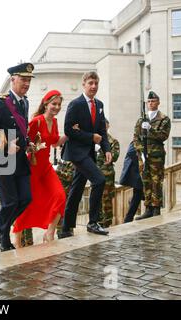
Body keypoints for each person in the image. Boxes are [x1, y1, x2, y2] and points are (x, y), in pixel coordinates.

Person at [0, 63, 34, 252]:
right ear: (13, 80)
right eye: (23, 79)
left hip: (19, 158)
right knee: (10, 202)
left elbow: (20, 128)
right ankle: (3, 239)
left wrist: (28, 143)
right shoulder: (0, 102)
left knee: (25, 198)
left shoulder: (25, 102)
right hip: (2, 159)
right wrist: (5, 143)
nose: (26, 83)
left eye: (28, 80)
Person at [59, 71, 111, 238]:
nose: (93, 86)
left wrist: (107, 149)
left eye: (96, 83)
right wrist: (90, 137)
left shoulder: (100, 105)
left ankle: (66, 228)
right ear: (84, 84)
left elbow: (101, 130)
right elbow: (68, 130)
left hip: (88, 152)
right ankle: (93, 222)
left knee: (77, 188)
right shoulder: (76, 104)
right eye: (90, 83)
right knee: (99, 179)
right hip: (76, 153)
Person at [12, 90, 68, 242]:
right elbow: (23, 141)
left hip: (46, 167)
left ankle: (49, 232)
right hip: (32, 166)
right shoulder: (36, 121)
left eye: (58, 104)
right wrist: (32, 147)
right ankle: (16, 237)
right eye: (53, 104)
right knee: (27, 202)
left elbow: (55, 143)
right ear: (46, 104)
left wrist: (69, 133)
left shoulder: (55, 122)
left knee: (60, 195)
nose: (56, 107)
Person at [134, 91, 171, 220]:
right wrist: (140, 152)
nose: (151, 103)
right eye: (149, 101)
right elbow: (136, 137)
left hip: (156, 155)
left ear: (158, 102)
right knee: (146, 181)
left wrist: (151, 128)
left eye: (153, 101)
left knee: (156, 181)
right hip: (143, 157)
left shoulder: (164, 119)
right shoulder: (141, 119)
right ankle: (148, 208)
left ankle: (156, 208)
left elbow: (163, 136)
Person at [97, 119, 120, 228]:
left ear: (108, 126)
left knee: (106, 199)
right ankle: (96, 220)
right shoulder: (94, 140)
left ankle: (106, 222)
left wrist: (101, 150)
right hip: (95, 174)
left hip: (107, 174)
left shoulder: (113, 141)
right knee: (96, 198)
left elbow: (113, 157)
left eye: (105, 125)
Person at [120, 142, 144, 223]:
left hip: (141, 173)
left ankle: (128, 218)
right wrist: (142, 161)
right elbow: (131, 153)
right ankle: (128, 218)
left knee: (139, 195)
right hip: (136, 172)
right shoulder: (136, 141)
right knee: (138, 194)